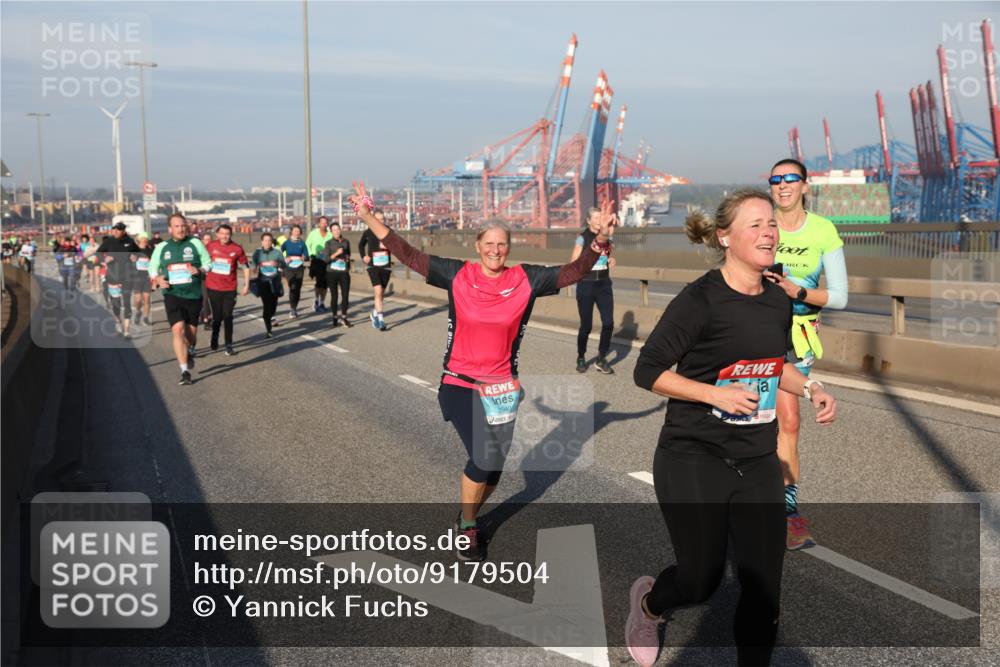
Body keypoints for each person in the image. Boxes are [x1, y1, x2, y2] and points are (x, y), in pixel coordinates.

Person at [626, 190, 837, 667]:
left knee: (763, 590)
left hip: (757, 458)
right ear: (725, 237)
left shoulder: (777, 299)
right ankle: (650, 605)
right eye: (755, 225)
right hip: (693, 455)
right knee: (700, 580)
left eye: (772, 224)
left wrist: (812, 387)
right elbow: (647, 370)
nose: (768, 233)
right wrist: (713, 394)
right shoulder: (699, 300)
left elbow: (774, 364)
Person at [350, 182, 614, 561]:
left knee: (494, 468)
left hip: (502, 389)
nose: (495, 250)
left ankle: (466, 513)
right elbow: (406, 253)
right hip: (459, 382)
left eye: (502, 244)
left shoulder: (526, 279)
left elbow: (574, 272)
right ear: (477, 246)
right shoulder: (457, 274)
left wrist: (599, 240)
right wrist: (366, 216)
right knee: (485, 455)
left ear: (509, 248)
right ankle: (468, 526)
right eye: (488, 243)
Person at [766, 158, 849, 551]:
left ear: (804, 185)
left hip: (798, 334)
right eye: (775, 179)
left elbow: (841, 296)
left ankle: (787, 513)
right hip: (756, 329)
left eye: (790, 178)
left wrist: (796, 291)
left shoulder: (823, 230)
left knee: (790, 420)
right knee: (747, 418)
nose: (782, 185)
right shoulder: (763, 224)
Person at [148, 213, 211, 385]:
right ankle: (184, 371)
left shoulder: (195, 243)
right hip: (172, 293)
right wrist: (157, 279)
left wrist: (199, 270)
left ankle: (189, 348)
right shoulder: (162, 247)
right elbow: (152, 267)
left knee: (190, 335)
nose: (181, 229)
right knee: (177, 330)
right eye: (176, 226)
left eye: (183, 225)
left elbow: (208, 263)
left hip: (193, 294)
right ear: (170, 229)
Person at [571, 207, 617, 374]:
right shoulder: (582, 238)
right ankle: (581, 357)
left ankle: (601, 358)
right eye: (596, 218)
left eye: (600, 217)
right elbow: (573, 261)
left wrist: (610, 259)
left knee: (608, 323)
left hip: (604, 285)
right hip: (586, 285)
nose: (599, 221)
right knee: (586, 326)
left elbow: (607, 253)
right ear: (589, 221)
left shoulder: (606, 236)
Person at [205, 224, 250, 355]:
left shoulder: (237, 249)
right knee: (217, 317)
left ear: (231, 235)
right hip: (213, 287)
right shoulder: (210, 246)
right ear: (217, 234)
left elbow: (246, 267)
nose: (225, 236)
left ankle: (228, 344)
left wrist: (246, 284)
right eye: (222, 233)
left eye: (227, 234)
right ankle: (214, 337)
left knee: (228, 316)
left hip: (230, 288)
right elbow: (202, 261)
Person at [97, 222, 142, 338]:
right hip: (113, 277)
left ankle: (127, 331)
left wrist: (135, 257)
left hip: (127, 277)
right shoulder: (109, 241)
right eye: (114, 229)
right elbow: (99, 253)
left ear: (123, 231)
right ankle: (118, 320)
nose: (115, 231)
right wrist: (105, 259)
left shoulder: (129, 241)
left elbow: (138, 252)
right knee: (116, 304)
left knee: (127, 303)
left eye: (118, 230)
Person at [360, 208, 393, 331]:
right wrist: (364, 256)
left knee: (381, 293)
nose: (380, 221)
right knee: (378, 291)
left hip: (386, 266)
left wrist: (388, 246)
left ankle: (374, 312)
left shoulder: (389, 231)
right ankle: (380, 320)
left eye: (382, 219)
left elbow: (396, 245)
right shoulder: (368, 232)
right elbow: (361, 244)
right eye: (377, 219)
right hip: (373, 266)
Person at [251, 233, 286, 338]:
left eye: (269, 240)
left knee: (273, 305)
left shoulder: (277, 253)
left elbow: (284, 264)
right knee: (266, 305)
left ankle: (271, 316)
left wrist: (278, 265)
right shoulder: (257, 252)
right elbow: (253, 264)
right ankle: (269, 330)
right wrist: (254, 268)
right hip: (263, 282)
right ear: (262, 242)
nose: (267, 242)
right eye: (265, 240)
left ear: (272, 242)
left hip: (275, 282)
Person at [321, 222, 352, 327]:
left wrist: (347, 258)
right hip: (332, 272)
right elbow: (326, 259)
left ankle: (344, 317)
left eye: (338, 229)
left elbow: (348, 254)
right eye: (334, 230)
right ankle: (334, 317)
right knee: (334, 296)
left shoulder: (346, 242)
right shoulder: (328, 243)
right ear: (331, 232)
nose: (337, 231)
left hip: (344, 272)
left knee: (345, 295)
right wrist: (336, 254)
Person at [306, 216, 334, 313]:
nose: (324, 224)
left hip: (327, 261)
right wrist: (311, 254)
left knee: (325, 284)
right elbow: (307, 244)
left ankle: (322, 302)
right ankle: (316, 300)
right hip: (317, 260)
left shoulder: (330, 234)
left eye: (326, 223)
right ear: (319, 224)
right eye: (322, 223)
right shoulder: (313, 233)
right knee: (319, 282)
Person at [280, 224, 309, 318]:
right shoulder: (287, 242)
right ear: (291, 232)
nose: (297, 232)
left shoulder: (302, 243)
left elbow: (306, 255)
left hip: (299, 268)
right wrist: (285, 258)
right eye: (295, 231)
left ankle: (294, 308)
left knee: (298, 289)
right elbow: (279, 252)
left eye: (298, 231)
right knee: (293, 287)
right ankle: (292, 309)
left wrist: (304, 257)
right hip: (289, 268)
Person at [130, 232, 155, 326]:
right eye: (143, 239)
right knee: (138, 300)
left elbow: (154, 263)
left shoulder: (150, 250)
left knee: (147, 298)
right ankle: (138, 312)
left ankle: (145, 318)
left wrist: (154, 277)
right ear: (139, 240)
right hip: (136, 277)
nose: (145, 241)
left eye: (146, 239)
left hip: (147, 277)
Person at [199, 231, 215, 330]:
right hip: (203, 277)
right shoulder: (199, 251)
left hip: (214, 277)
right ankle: (206, 320)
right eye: (206, 239)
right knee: (205, 298)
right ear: (202, 241)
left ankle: (203, 314)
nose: (208, 241)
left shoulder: (215, 250)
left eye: (209, 239)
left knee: (213, 299)